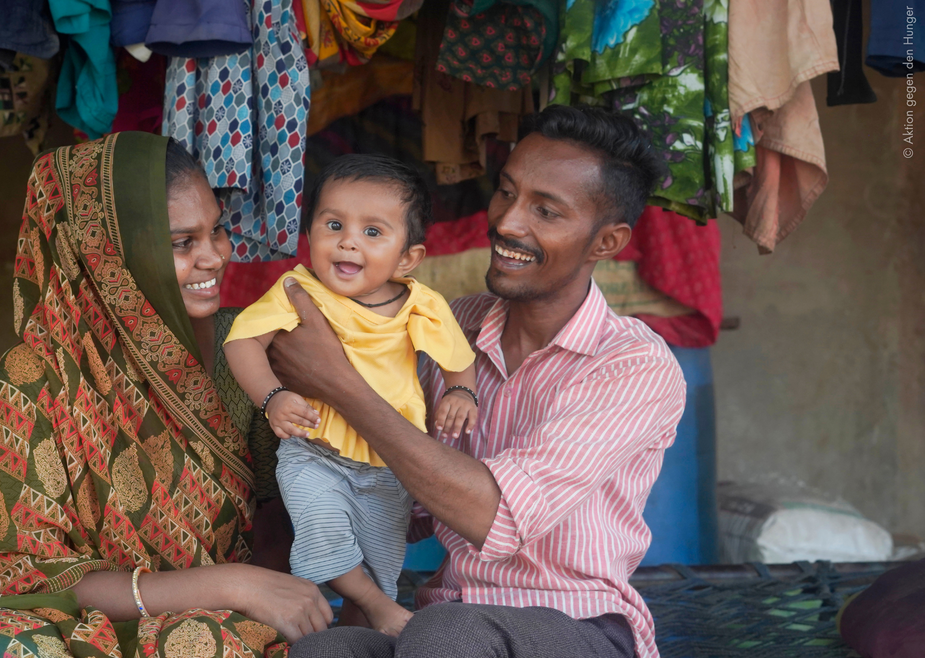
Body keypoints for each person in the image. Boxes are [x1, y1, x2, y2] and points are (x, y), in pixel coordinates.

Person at [268, 106, 687, 658]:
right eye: (506, 192)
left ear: (605, 243)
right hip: (445, 620)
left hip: (581, 625)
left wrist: (340, 383)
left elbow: (495, 517)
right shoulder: (452, 326)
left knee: (447, 633)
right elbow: (402, 497)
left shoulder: (631, 364)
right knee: (328, 651)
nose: (508, 222)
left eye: (545, 211)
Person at [0, 132, 334, 658]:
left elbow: (280, 515)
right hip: (57, 623)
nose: (215, 257)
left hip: (199, 627)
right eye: (182, 243)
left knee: (212, 645)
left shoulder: (244, 351)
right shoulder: (33, 377)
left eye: (217, 231)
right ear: (107, 253)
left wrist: (254, 593)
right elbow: (22, 573)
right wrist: (230, 583)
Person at [223, 155, 478, 637]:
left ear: (407, 258)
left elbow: (457, 359)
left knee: (381, 561)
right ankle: (373, 605)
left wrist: (461, 391)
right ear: (310, 234)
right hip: (314, 450)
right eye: (334, 225)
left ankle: (362, 630)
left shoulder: (421, 304)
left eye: (373, 232)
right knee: (322, 530)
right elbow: (242, 342)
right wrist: (273, 397)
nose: (348, 241)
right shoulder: (297, 289)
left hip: (389, 463)